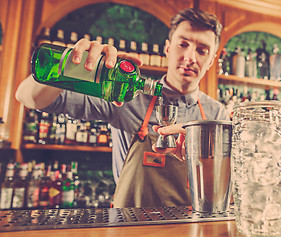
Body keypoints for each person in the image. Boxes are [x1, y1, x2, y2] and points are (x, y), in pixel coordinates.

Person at [16, 8, 228, 208]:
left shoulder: (216, 114)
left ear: (211, 61)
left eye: (202, 50)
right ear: (167, 48)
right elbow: (29, 98)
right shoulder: (125, 96)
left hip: (188, 228)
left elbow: (220, 187)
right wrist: (69, 65)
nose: (190, 57)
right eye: (183, 44)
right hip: (128, 226)